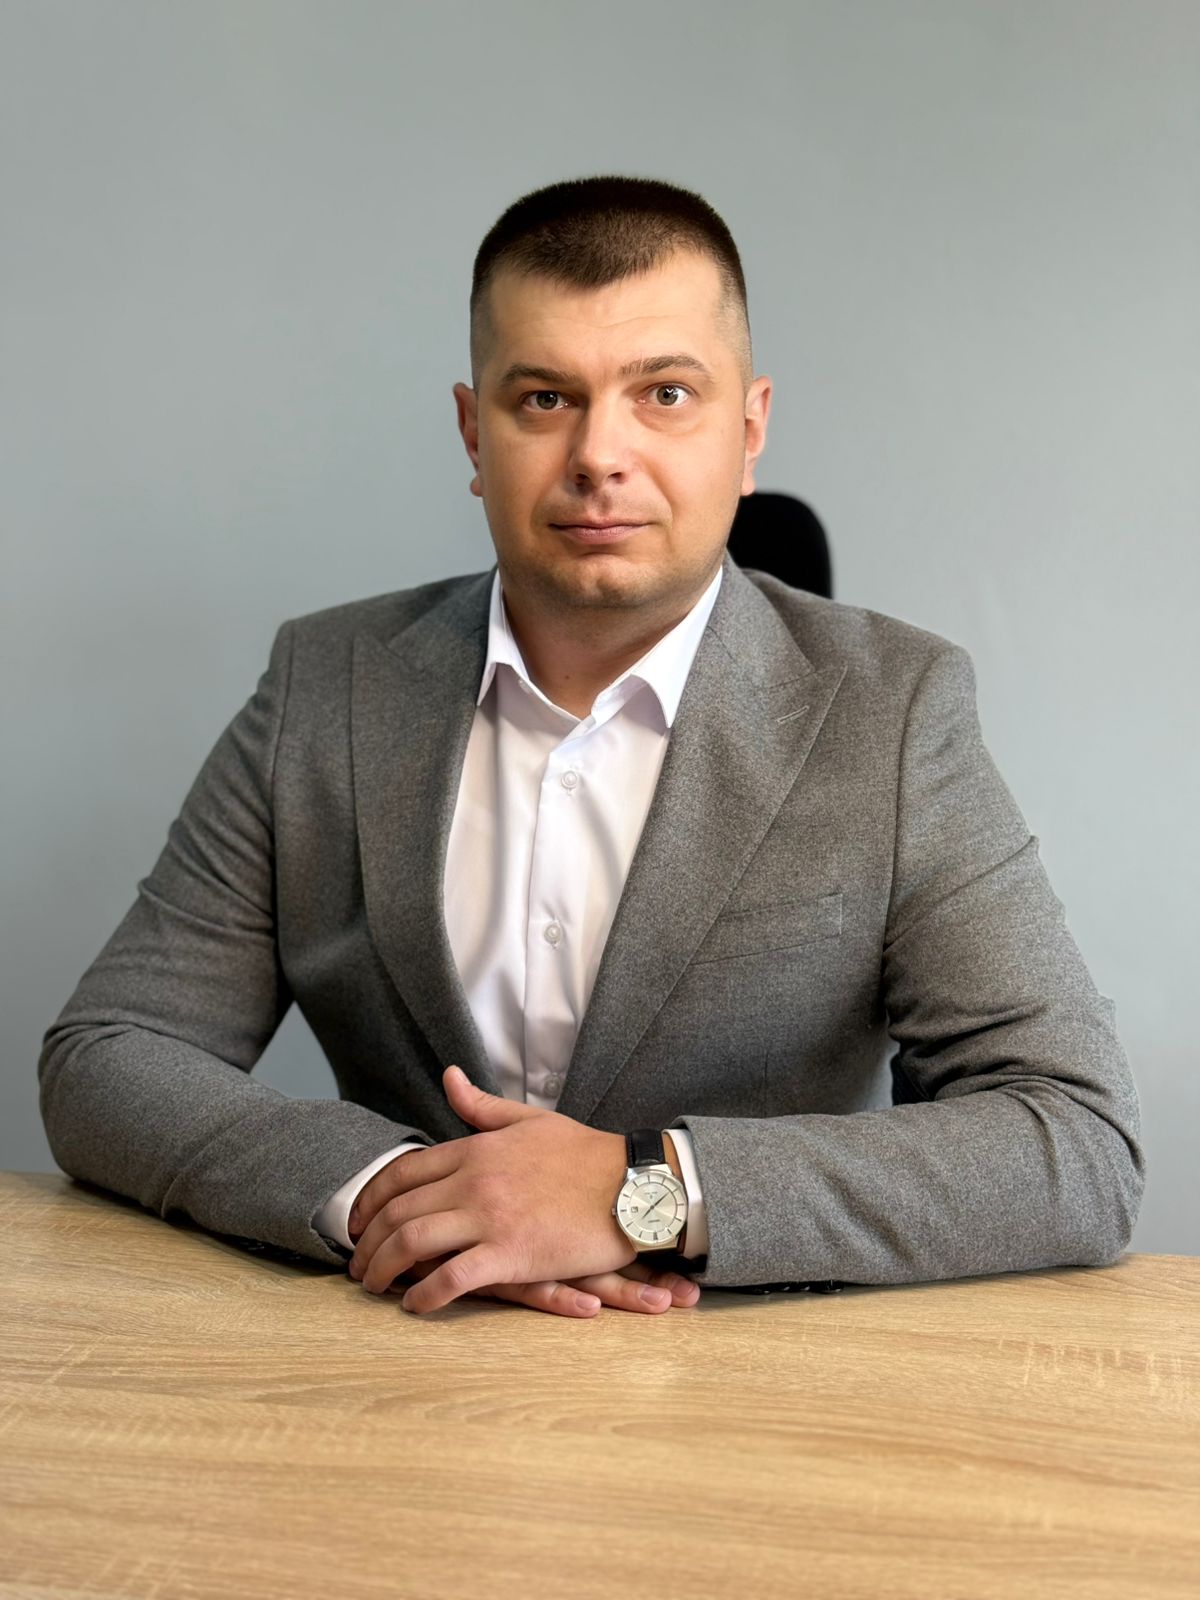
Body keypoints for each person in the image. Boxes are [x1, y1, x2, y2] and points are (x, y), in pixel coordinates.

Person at [38, 175, 1145, 1321]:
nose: (598, 454)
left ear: (749, 429)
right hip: (403, 1355)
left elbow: (1076, 1140)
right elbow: (110, 1054)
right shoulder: (328, 685)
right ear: (475, 433)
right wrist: (399, 1199)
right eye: (544, 398)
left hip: (752, 1381)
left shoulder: (894, 710)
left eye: (665, 393)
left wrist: (643, 1193)